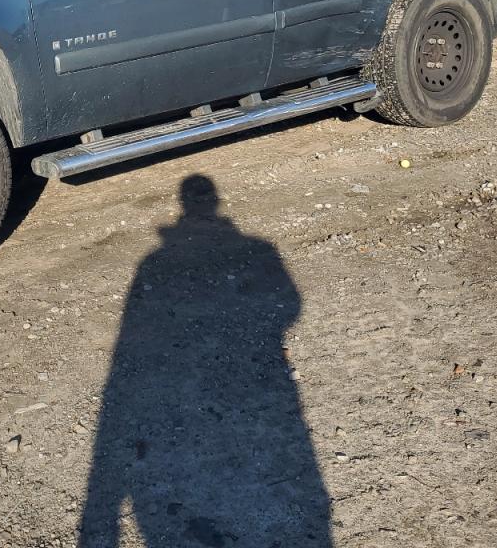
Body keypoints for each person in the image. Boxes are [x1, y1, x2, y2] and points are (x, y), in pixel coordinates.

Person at [80, 174, 333, 547]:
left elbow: (134, 331)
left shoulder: (155, 261)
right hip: (246, 387)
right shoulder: (257, 249)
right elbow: (291, 306)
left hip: (189, 389)